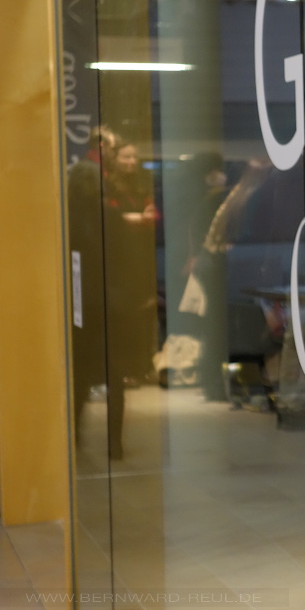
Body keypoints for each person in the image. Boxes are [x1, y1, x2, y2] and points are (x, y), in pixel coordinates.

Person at [102, 138, 160, 457]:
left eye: (134, 157)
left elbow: (152, 216)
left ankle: (135, 367)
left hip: (136, 269)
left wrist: (144, 217)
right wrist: (132, 220)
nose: (130, 162)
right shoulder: (107, 186)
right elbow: (107, 221)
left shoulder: (139, 185)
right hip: (115, 273)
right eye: (126, 156)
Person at [69, 126, 117, 449]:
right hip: (91, 285)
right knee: (87, 360)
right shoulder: (90, 175)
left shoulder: (86, 175)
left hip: (87, 284)